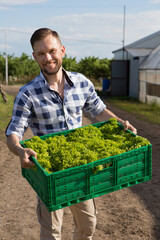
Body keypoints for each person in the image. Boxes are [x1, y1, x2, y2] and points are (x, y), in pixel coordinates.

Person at [6, 28, 137, 240]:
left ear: (62, 50)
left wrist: (120, 122)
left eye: (52, 51)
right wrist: (20, 150)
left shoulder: (82, 83)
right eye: (41, 53)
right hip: (50, 173)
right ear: (34, 57)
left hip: (81, 172)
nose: (48, 58)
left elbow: (99, 110)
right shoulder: (27, 93)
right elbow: (14, 132)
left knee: (88, 226)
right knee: (52, 232)